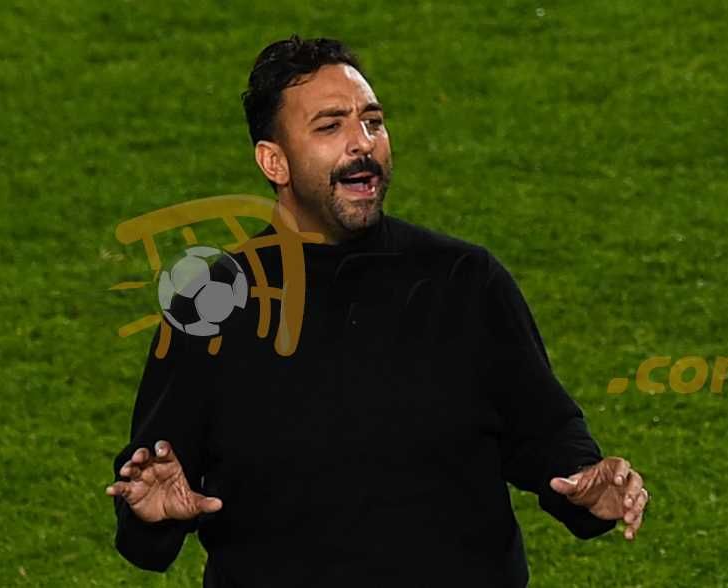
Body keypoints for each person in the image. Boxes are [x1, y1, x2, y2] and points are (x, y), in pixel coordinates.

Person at [106, 35, 649, 587]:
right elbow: (154, 488)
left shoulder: (464, 282)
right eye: (330, 127)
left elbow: (546, 433)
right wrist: (150, 517)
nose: (362, 144)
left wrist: (588, 482)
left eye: (373, 122)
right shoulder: (214, 303)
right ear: (275, 161)